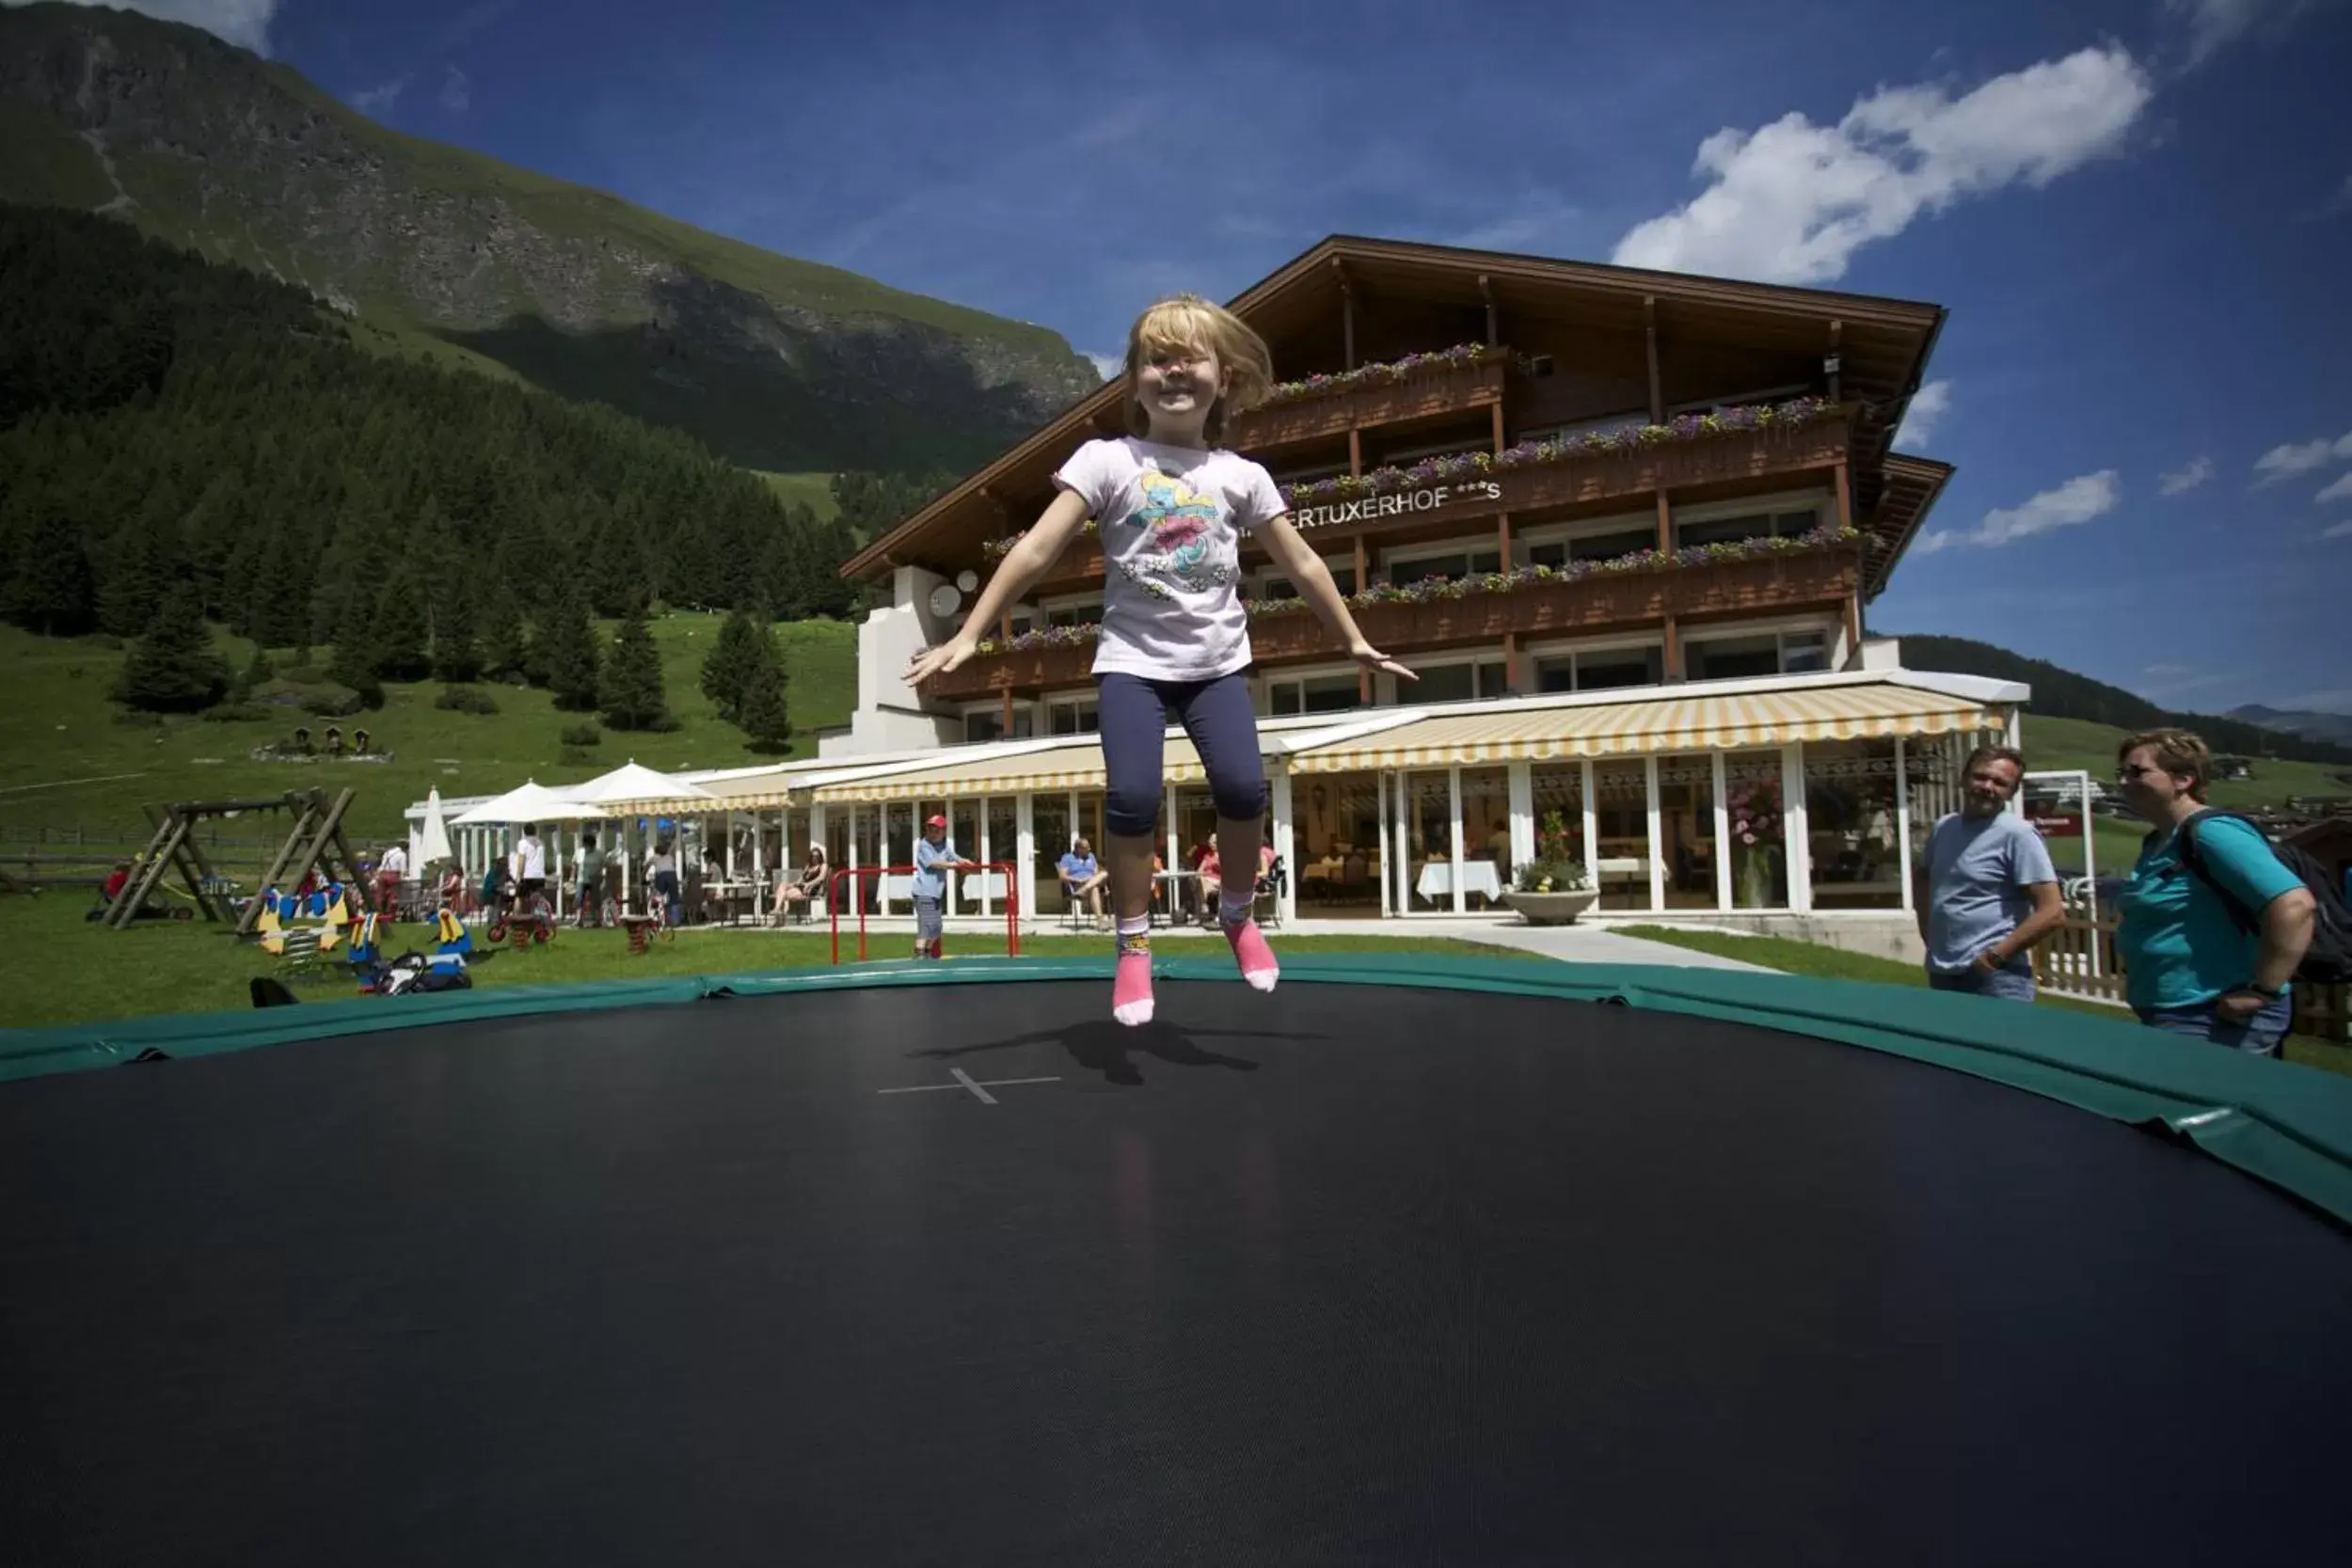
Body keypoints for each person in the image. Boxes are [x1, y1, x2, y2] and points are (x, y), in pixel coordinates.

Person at [905, 293, 1412, 1024]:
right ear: (1136, 378)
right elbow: (1038, 549)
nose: (1173, 371)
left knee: (1243, 790)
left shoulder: (1241, 476)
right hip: (1133, 664)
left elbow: (1301, 563)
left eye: (1190, 358)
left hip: (1215, 665)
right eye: (1155, 359)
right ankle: (1134, 944)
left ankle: (1237, 913)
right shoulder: (1109, 460)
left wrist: (1351, 638)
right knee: (1133, 799)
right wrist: (970, 632)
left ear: (1224, 377)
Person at [2112, 729, 2315, 1055]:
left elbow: (2295, 905)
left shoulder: (2212, 833)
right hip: (2174, 1009)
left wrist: (2262, 991)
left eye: (2137, 772)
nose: (2123, 781)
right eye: (2121, 772)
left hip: (2214, 1016)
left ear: (2183, 779)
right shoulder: (2158, 840)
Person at [1913, 745, 2065, 1000]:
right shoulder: (1945, 827)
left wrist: (1995, 957)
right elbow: (1922, 878)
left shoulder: (2017, 835)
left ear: (2011, 792)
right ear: (1963, 779)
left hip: (1996, 977)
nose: (1987, 787)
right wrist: (1929, 933)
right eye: (1980, 777)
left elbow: (2052, 912)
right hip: (1943, 971)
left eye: (1999, 782)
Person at [912, 815, 970, 959]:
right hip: (924, 892)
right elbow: (933, 863)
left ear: (943, 831)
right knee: (927, 926)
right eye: (930, 829)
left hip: (936, 893)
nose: (933, 832)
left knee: (936, 928)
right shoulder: (924, 845)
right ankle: (920, 956)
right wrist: (953, 865)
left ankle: (928, 954)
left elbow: (956, 858)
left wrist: (965, 862)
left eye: (936, 830)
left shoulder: (944, 846)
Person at [771, 843, 827, 924]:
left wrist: (809, 884)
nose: (814, 858)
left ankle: (778, 916)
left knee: (782, 894)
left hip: (810, 889)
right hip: (801, 886)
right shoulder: (808, 866)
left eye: (817, 856)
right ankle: (777, 910)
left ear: (820, 857)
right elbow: (801, 878)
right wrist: (795, 883)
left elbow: (821, 878)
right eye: (813, 856)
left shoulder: (823, 865)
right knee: (782, 886)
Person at [1057, 836, 1108, 922]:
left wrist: (1105, 886)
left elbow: (1096, 873)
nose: (1089, 849)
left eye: (1089, 847)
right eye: (1086, 847)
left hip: (1089, 883)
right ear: (1078, 849)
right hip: (1077, 885)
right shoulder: (1067, 858)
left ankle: (1083, 890)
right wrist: (1078, 880)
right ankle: (1100, 919)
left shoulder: (1091, 856)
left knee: (1104, 873)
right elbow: (1062, 876)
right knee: (1094, 888)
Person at [647, 835, 681, 928]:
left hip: (662, 875)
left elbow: (645, 868)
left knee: (658, 896)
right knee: (674, 897)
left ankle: (656, 918)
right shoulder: (670, 857)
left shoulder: (654, 857)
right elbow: (674, 865)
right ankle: (675, 921)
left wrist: (643, 878)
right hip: (672, 875)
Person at [513, 823, 547, 911]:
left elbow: (521, 861)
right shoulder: (541, 843)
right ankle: (538, 918)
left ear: (524, 832)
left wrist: (518, 876)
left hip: (527, 875)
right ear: (535, 831)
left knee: (519, 897)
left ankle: (518, 918)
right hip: (539, 875)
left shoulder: (523, 843)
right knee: (538, 898)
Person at [576, 833, 604, 927]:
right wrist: (572, 877)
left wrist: (603, 877)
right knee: (579, 899)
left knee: (596, 901)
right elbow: (574, 864)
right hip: (581, 879)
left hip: (594, 880)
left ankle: (598, 920)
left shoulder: (599, 854)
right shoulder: (579, 852)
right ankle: (579, 919)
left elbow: (607, 864)